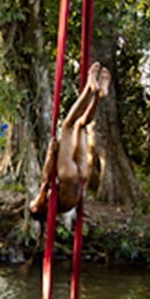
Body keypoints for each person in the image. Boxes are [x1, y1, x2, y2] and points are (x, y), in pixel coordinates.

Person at [29, 61, 110, 219]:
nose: (32, 202)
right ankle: (89, 89)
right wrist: (51, 154)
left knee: (80, 125)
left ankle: (99, 97)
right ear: (36, 210)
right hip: (68, 175)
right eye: (32, 204)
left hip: (81, 176)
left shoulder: (63, 208)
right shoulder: (39, 205)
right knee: (68, 125)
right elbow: (46, 180)